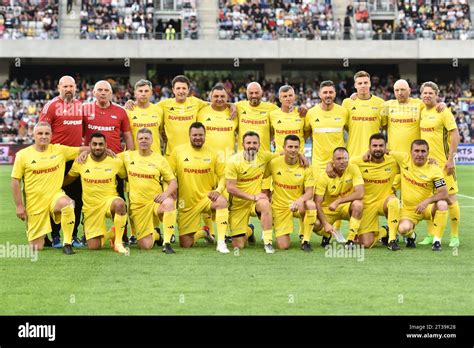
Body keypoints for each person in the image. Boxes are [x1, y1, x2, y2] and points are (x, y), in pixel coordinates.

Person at [11, 122, 87, 255]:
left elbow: (85, 148)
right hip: (35, 203)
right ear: (33, 134)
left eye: (47, 133)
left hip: (55, 197)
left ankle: (67, 243)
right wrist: (19, 206)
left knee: (68, 204)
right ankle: (39, 231)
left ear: (51, 135)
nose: (43, 136)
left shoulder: (59, 150)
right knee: (36, 247)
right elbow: (15, 181)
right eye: (40, 133)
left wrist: (87, 152)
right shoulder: (23, 155)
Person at [82, 80, 134, 243]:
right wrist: (80, 152)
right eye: (100, 90)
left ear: (111, 93)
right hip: (91, 162)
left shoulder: (120, 111)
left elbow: (127, 135)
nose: (103, 92)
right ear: (94, 92)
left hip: (114, 163)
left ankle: (121, 233)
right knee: (88, 198)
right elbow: (78, 133)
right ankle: (88, 232)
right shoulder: (85, 110)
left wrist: (131, 158)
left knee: (119, 197)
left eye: (106, 90)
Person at [168, 122, 230, 253]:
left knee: (222, 202)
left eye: (201, 135)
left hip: (207, 198)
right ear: (189, 135)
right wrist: (170, 191)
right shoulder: (178, 152)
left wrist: (218, 191)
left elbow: (223, 176)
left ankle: (221, 242)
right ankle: (204, 232)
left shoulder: (213, 153)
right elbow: (168, 174)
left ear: (205, 135)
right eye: (195, 135)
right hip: (186, 203)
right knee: (186, 244)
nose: (198, 137)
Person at [63, 132, 129, 254]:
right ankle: (111, 233)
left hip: (109, 201)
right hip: (91, 207)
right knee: (94, 246)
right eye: (94, 144)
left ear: (106, 145)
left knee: (120, 204)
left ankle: (118, 243)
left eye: (100, 144)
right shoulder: (80, 162)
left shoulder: (115, 161)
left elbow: (127, 178)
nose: (97, 147)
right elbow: (68, 179)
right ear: (89, 145)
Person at [39, 75, 84, 248]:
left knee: (77, 198)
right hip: (55, 160)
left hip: (76, 159)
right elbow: (42, 131)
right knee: (55, 198)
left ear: (75, 88)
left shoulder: (81, 106)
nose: (68, 89)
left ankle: (72, 235)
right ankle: (56, 234)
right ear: (59, 87)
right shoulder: (51, 106)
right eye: (65, 86)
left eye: (71, 86)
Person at [119, 128, 178, 253]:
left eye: (146, 138)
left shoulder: (160, 159)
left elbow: (173, 182)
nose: (143, 141)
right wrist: (85, 153)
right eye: (141, 138)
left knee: (168, 204)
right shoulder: (128, 156)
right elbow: (110, 158)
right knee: (145, 246)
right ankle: (156, 234)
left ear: (152, 140)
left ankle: (167, 243)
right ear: (136, 140)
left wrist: (165, 194)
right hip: (138, 206)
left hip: (155, 202)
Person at [418, 81, 461, 248]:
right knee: (429, 200)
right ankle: (431, 234)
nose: (427, 95)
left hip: (444, 165)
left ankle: (454, 236)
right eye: (425, 93)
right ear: (421, 95)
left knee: (450, 198)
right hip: (427, 166)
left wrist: (451, 159)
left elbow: (455, 135)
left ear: (436, 95)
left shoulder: (443, 112)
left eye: (431, 93)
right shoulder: (421, 110)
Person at [387, 139, 449, 251]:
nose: (419, 154)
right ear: (410, 152)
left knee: (442, 204)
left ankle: (436, 242)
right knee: (403, 229)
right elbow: (385, 151)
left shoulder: (434, 169)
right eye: (416, 151)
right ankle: (412, 236)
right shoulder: (404, 159)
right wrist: (367, 153)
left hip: (427, 208)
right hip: (409, 210)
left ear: (428, 153)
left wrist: (426, 202)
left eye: (423, 151)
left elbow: (444, 193)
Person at [305, 80, 349, 234]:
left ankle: (338, 230)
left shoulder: (343, 112)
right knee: (319, 202)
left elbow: (352, 130)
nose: (328, 95)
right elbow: (304, 134)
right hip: (318, 166)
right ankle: (323, 231)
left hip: (340, 165)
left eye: (331, 92)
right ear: (320, 94)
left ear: (335, 93)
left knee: (340, 197)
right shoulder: (311, 113)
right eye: (325, 92)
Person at [197, 84, 238, 240]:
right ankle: (210, 231)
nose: (219, 99)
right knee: (206, 196)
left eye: (222, 97)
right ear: (210, 97)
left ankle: (225, 232)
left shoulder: (234, 112)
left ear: (227, 98)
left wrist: (232, 105)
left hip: (227, 165)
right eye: (216, 96)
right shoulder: (201, 112)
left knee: (225, 199)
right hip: (205, 163)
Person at [226, 131, 278, 253]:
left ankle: (268, 243)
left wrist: (301, 156)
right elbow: (230, 188)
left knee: (265, 203)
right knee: (238, 246)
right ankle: (249, 230)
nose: (252, 145)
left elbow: (283, 153)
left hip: (256, 203)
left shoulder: (264, 156)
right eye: (248, 143)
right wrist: (253, 197)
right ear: (243, 144)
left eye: (255, 143)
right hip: (239, 205)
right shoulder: (233, 161)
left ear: (259, 145)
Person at [266, 135, 316, 251]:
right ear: (283, 147)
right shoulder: (274, 163)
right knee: (283, 246)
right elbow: (262, 177)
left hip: (298, 205)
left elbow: (309, 192)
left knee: (311, 205)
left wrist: (299, 200)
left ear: (300, 148)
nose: (293, 150)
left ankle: (306, 241)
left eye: (296, 147)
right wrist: (266, 194)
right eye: (290, 147)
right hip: (279, 207)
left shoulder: (306, 166)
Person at [351, 133, 400, 250]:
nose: (378, 148)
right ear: (369, 147)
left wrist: (430, 161)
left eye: (381, 145)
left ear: (385, 147)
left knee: (394, 202)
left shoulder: (394, 161)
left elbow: (413, 162)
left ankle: (392, 240)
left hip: (384, 201)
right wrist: (329, 165)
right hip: (367, 204)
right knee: (366, 244)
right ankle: (385, 231)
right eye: (374, 146)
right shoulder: (357, 161)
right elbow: (340, 162)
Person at [314, 147, 364, 250]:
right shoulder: (324, 176)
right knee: (316, 225)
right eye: (339, 159)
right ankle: (327, 235)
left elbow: (360, 193)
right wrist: (325, 224)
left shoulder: (353, 168)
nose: (342, 162)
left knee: (358, 205)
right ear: (332, 161)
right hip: (328, 209)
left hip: (346, 207)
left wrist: (338, 201)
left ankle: (350, 240)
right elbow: (317, 202)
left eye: (345, 158)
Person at [342, 71, 385, 157]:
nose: (363, 85)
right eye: (360, 83)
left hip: (373, 154)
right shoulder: (347, 103)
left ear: (370, 84)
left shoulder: (381, 103)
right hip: (353, 153)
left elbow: (385, 126)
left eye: (365, 82)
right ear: (355, 85)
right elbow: (345, 126)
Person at [127, 79, 164, 155]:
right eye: (140, 91)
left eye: (146, 91)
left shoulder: (159, 110)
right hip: (135, 157)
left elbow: (161, 132)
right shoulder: (128, 111)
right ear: (135, 93)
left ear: (151, 93)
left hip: (155, 155)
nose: (143, 94)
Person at [269, 85, 305, 154]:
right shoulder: (272, 115)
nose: (288, 98)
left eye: (290, 95)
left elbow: (307, 133)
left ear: (294, 97)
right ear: (280, 99)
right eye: (285, 96)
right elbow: (270, 133)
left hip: (298, 158)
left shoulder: (302, 113)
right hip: (279, 158)